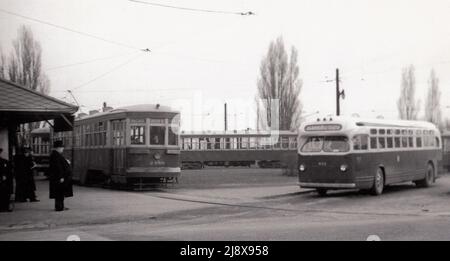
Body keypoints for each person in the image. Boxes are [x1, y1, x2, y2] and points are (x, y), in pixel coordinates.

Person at [48, 140, 73, 212]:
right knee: (59, 193)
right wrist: (60, 177)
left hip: (59, 177)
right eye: (62, 147)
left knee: (60, 192)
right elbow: (57, 167)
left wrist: (66, 162)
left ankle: (61, 206)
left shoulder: (56, 154)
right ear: (58, 148)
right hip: (59, 177)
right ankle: (59, 207)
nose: (63, 149)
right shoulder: (55, 155)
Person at [0, 148, 13, 212]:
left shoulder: (4, 161)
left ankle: (4, 207)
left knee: (4, 193)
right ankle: (4, 207)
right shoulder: (4, 161)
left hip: (3, 181)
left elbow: (7, 171)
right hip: (3, 180)